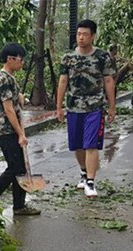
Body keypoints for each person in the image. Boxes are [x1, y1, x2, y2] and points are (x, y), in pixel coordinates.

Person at [56, 19, 116, 198]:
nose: (81, 38)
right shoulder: (68, 58)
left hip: (95, 107)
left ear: (93, 36)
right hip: (74, 107)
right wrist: (58, 107)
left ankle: (90, 181)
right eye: (78, 34)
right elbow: (63, 81)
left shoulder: (102, 57)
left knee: (91, 144)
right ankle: (83, 173)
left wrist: (112, 106)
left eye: (85, 34)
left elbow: (108, 81)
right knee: (77, 145)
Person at [0, 43, 41, 215]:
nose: (22, 62)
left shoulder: (10, 77)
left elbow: (14, 102)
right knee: (15, 168)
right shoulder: (3, 79)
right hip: (5, 129)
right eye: (20, 59)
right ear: (10, 59)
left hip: (10, 128)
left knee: (20, 168)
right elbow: (8, 109)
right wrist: (21, 134)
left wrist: (21, 98)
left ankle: (19, 206)